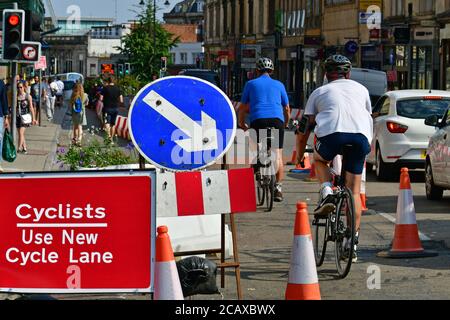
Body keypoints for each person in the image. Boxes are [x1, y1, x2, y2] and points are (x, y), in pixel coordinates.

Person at [296, 55, 373, 261]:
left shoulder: (319, 92)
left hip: (332, 137)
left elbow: (304, 128)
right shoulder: (362, 90)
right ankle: (352, 242)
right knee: (354, 192)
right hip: (360, 139)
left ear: (326, 75)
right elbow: (367, 117)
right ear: (348, 74)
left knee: (319, 159)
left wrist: (300, 153)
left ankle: (327, 189)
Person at [238, 57, 291, 202]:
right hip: (276, 120)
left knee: (255, 147)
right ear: (272, 71)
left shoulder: (250, 84)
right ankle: (278, 188)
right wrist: (285, 123)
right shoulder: (279, 85)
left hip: (258, 120)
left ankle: (256, 166)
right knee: (278, 155)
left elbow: (242, 108)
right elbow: (286, 108)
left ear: (257, 70)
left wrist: (242, 124)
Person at [100, 76, 123, 141]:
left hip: (107, 108)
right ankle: (112, 139)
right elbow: (121, 100)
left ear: (108, 81)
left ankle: (109, 137)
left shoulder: (105, 88)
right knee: (113, 124)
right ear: (114, 81)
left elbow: (100, 98)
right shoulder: (118, 88)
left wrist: (105, 100)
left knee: (107, 123)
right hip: (115, 108)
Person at [16, 82, 37, 154]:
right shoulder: (16, 96)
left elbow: (31, 107)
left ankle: (18, 148)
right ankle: (24, 148)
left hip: (25, 117)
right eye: (18, 87)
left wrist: (34, 118)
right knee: (20, 133)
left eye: (21, 87)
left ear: (24, 88)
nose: (19, 89)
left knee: (21, 132)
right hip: (18, 117)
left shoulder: (28, 96)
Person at [0, 79, 10, 173]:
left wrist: (6, 117)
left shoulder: (1, 83)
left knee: (0, 139)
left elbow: (4, 100)